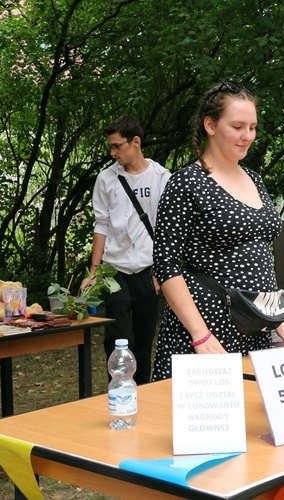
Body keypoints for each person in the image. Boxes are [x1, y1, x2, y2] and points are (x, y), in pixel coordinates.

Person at [152, 81, 284, 381]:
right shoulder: (186, 183)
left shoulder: (254, 178)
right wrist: (200, 335)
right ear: (210, 125)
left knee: (252, 423)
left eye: (252, 127)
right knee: (204, 424)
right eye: (238, 126)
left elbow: (260, 254)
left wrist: (279, 321)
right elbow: (166, 266)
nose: (247, 136)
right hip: (206, 328)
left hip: (255, 326)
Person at [83, 115, 171, 386]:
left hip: (148, 269)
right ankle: (118, 389)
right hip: (115, 270)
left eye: (117, 146)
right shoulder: (106, 179)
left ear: (136, 142)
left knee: (144, 339)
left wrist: (161, 271)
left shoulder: (161, 177)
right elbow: (101, 225)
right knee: (118, 338)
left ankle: (143, 391)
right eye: (111, 147)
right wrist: (94, 271)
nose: (112, 152)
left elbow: (167, 229)